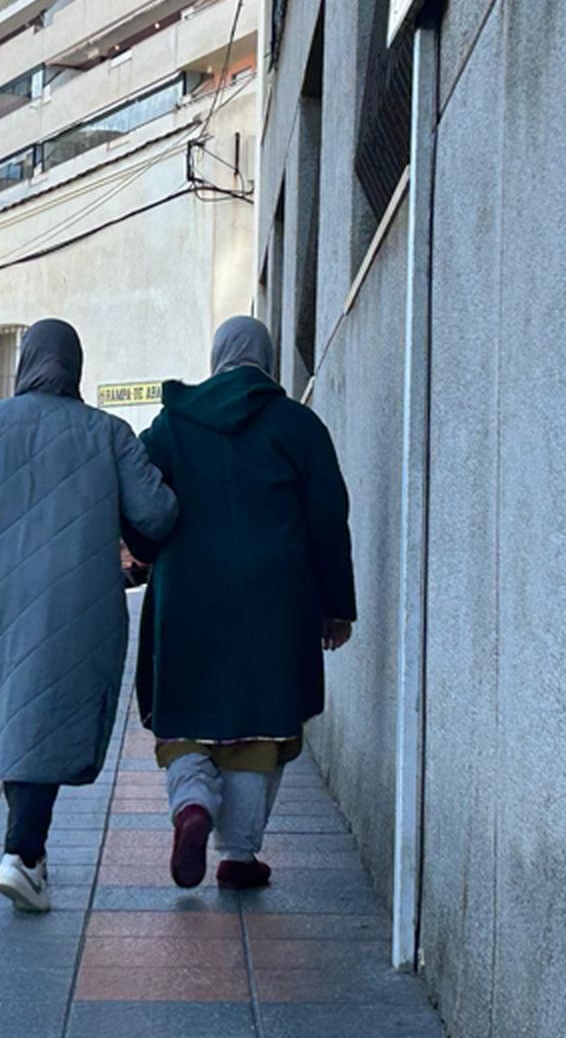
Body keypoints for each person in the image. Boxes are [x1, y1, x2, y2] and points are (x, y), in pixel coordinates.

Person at [0, 319, 177, 912]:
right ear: (75, 367)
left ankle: (26, 854)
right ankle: (22, 854)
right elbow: (158, 514)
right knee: (43, 713)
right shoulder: (106, 433)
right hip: (75, 595)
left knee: (18, 710)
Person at [130, 316, 356, 891]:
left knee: (184, 712)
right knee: (259, 725)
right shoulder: (298, 426)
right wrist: (336, 605)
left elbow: (141, 497)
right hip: (276, 598)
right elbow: (328, 520)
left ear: (217, 357)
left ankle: (191, 806)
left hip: (186, 591)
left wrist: (143, 550)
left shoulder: (172, 423)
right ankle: (238, 855)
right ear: (266, 358)